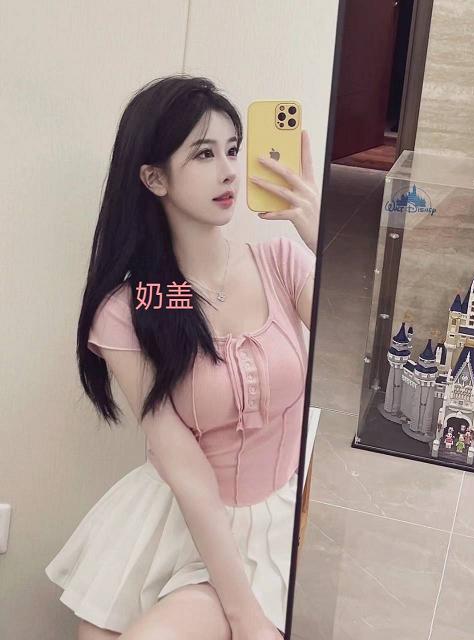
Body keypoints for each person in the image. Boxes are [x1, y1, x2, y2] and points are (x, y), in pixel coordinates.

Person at [45, 74, 320, 640]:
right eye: (203, 153)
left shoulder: (281, 264)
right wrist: (244, 618)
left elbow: (358, 354)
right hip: (184, 519)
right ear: (154, 178)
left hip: (273, 521)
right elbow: (183, 465)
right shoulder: (137, 304)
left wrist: (322, 239)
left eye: (233, 149)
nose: (229, 170)